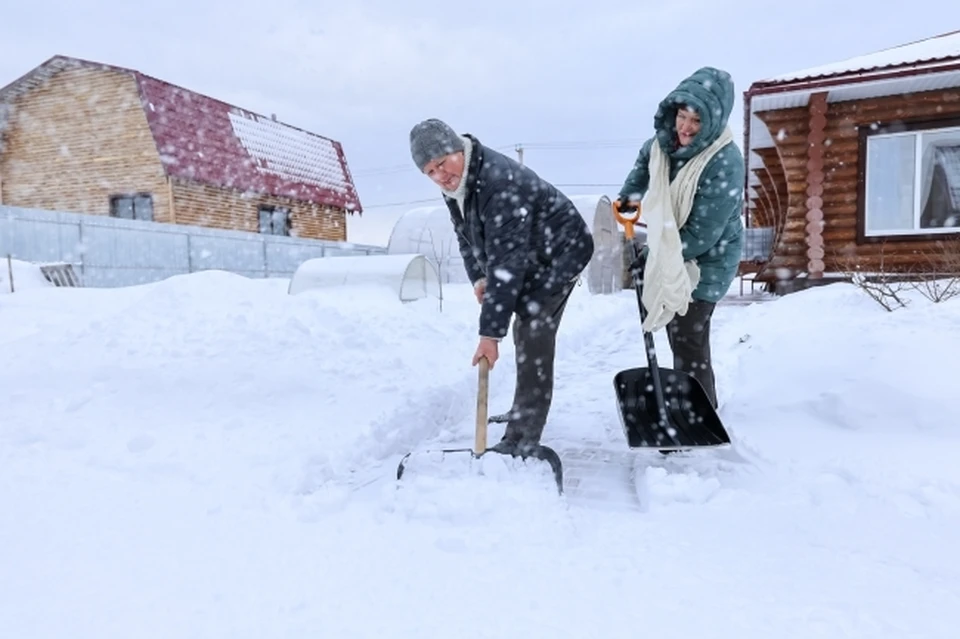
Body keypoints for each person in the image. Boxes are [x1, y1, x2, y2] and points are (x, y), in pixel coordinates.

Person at [409, 118, 594, 455]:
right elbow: (467, 238)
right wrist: (480, 277)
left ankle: (521, 437)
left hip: (562, 251)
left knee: (533, 326)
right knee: (524, 323)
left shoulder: (498, 182)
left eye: (442, 163)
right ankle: (523, 407)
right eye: (430, 172)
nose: (440, 175)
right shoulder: (457, 184)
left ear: (456, 149)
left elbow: (508, 263)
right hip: (531, 252)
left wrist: (490, 336)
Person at [614, 66, 745, 409]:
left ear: (712, 123)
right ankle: (688, 403)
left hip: (709, 260)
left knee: (689, 335)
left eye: (696, 121)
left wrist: (658, 255)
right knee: (678, 331)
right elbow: (644, 164)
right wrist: (630, 196)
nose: (685, 127)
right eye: (682, 116)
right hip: (674, 243)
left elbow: (703, 233)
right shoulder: (663, 144)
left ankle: (698, 410)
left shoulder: (724, 161)